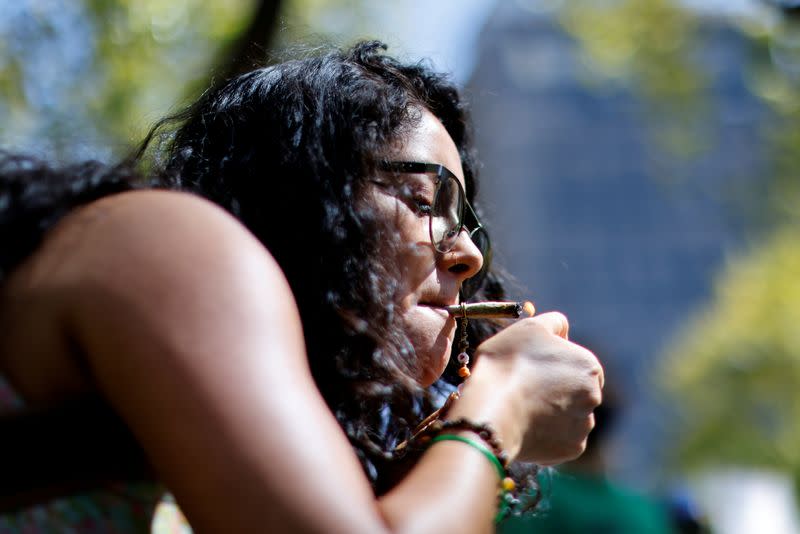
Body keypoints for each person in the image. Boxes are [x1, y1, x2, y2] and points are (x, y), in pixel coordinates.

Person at [0, 41, 603, 532]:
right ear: (300, 195)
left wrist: (429, 453)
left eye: (467, 221)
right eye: (424, 198)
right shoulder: (169, 242)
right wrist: (503, 401)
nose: (468, 253)